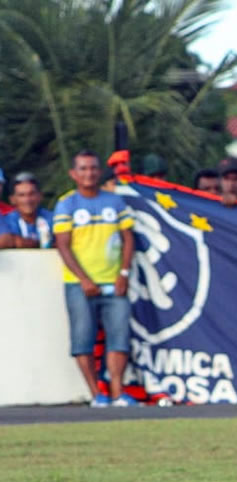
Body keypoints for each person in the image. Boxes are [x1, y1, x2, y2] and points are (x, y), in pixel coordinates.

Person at [52, 150, 138, 407]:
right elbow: (63, 245)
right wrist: (84, 280)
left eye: (92, 168)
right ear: (73, 174)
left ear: (99, 171)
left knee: (119, 336)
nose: (88, 173)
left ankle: (116, 392)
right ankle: (95, 395)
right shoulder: (66, 204)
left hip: (114, 282)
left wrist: (123, 273)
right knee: (82, 339)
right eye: (83, 168)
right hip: (79, 285)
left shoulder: (114, 202)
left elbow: (128, 239)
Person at [1, 172, 54, 249]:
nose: (27, 200)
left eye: (31, 194)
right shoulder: (5, 222)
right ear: (12, 199)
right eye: (21, 195)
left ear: (40, 196)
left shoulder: (53, 219)